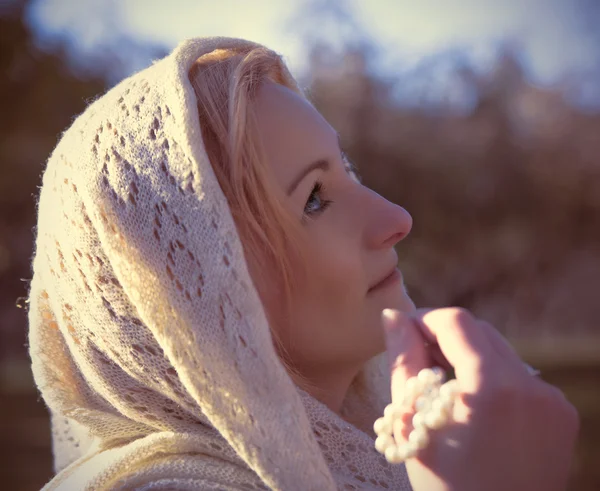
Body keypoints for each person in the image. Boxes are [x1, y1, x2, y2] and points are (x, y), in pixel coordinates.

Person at [26, 36, 579, 490]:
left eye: (348, 171)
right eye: (314, 197)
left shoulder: (410, 435)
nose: (397, 217)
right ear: (189, 295)